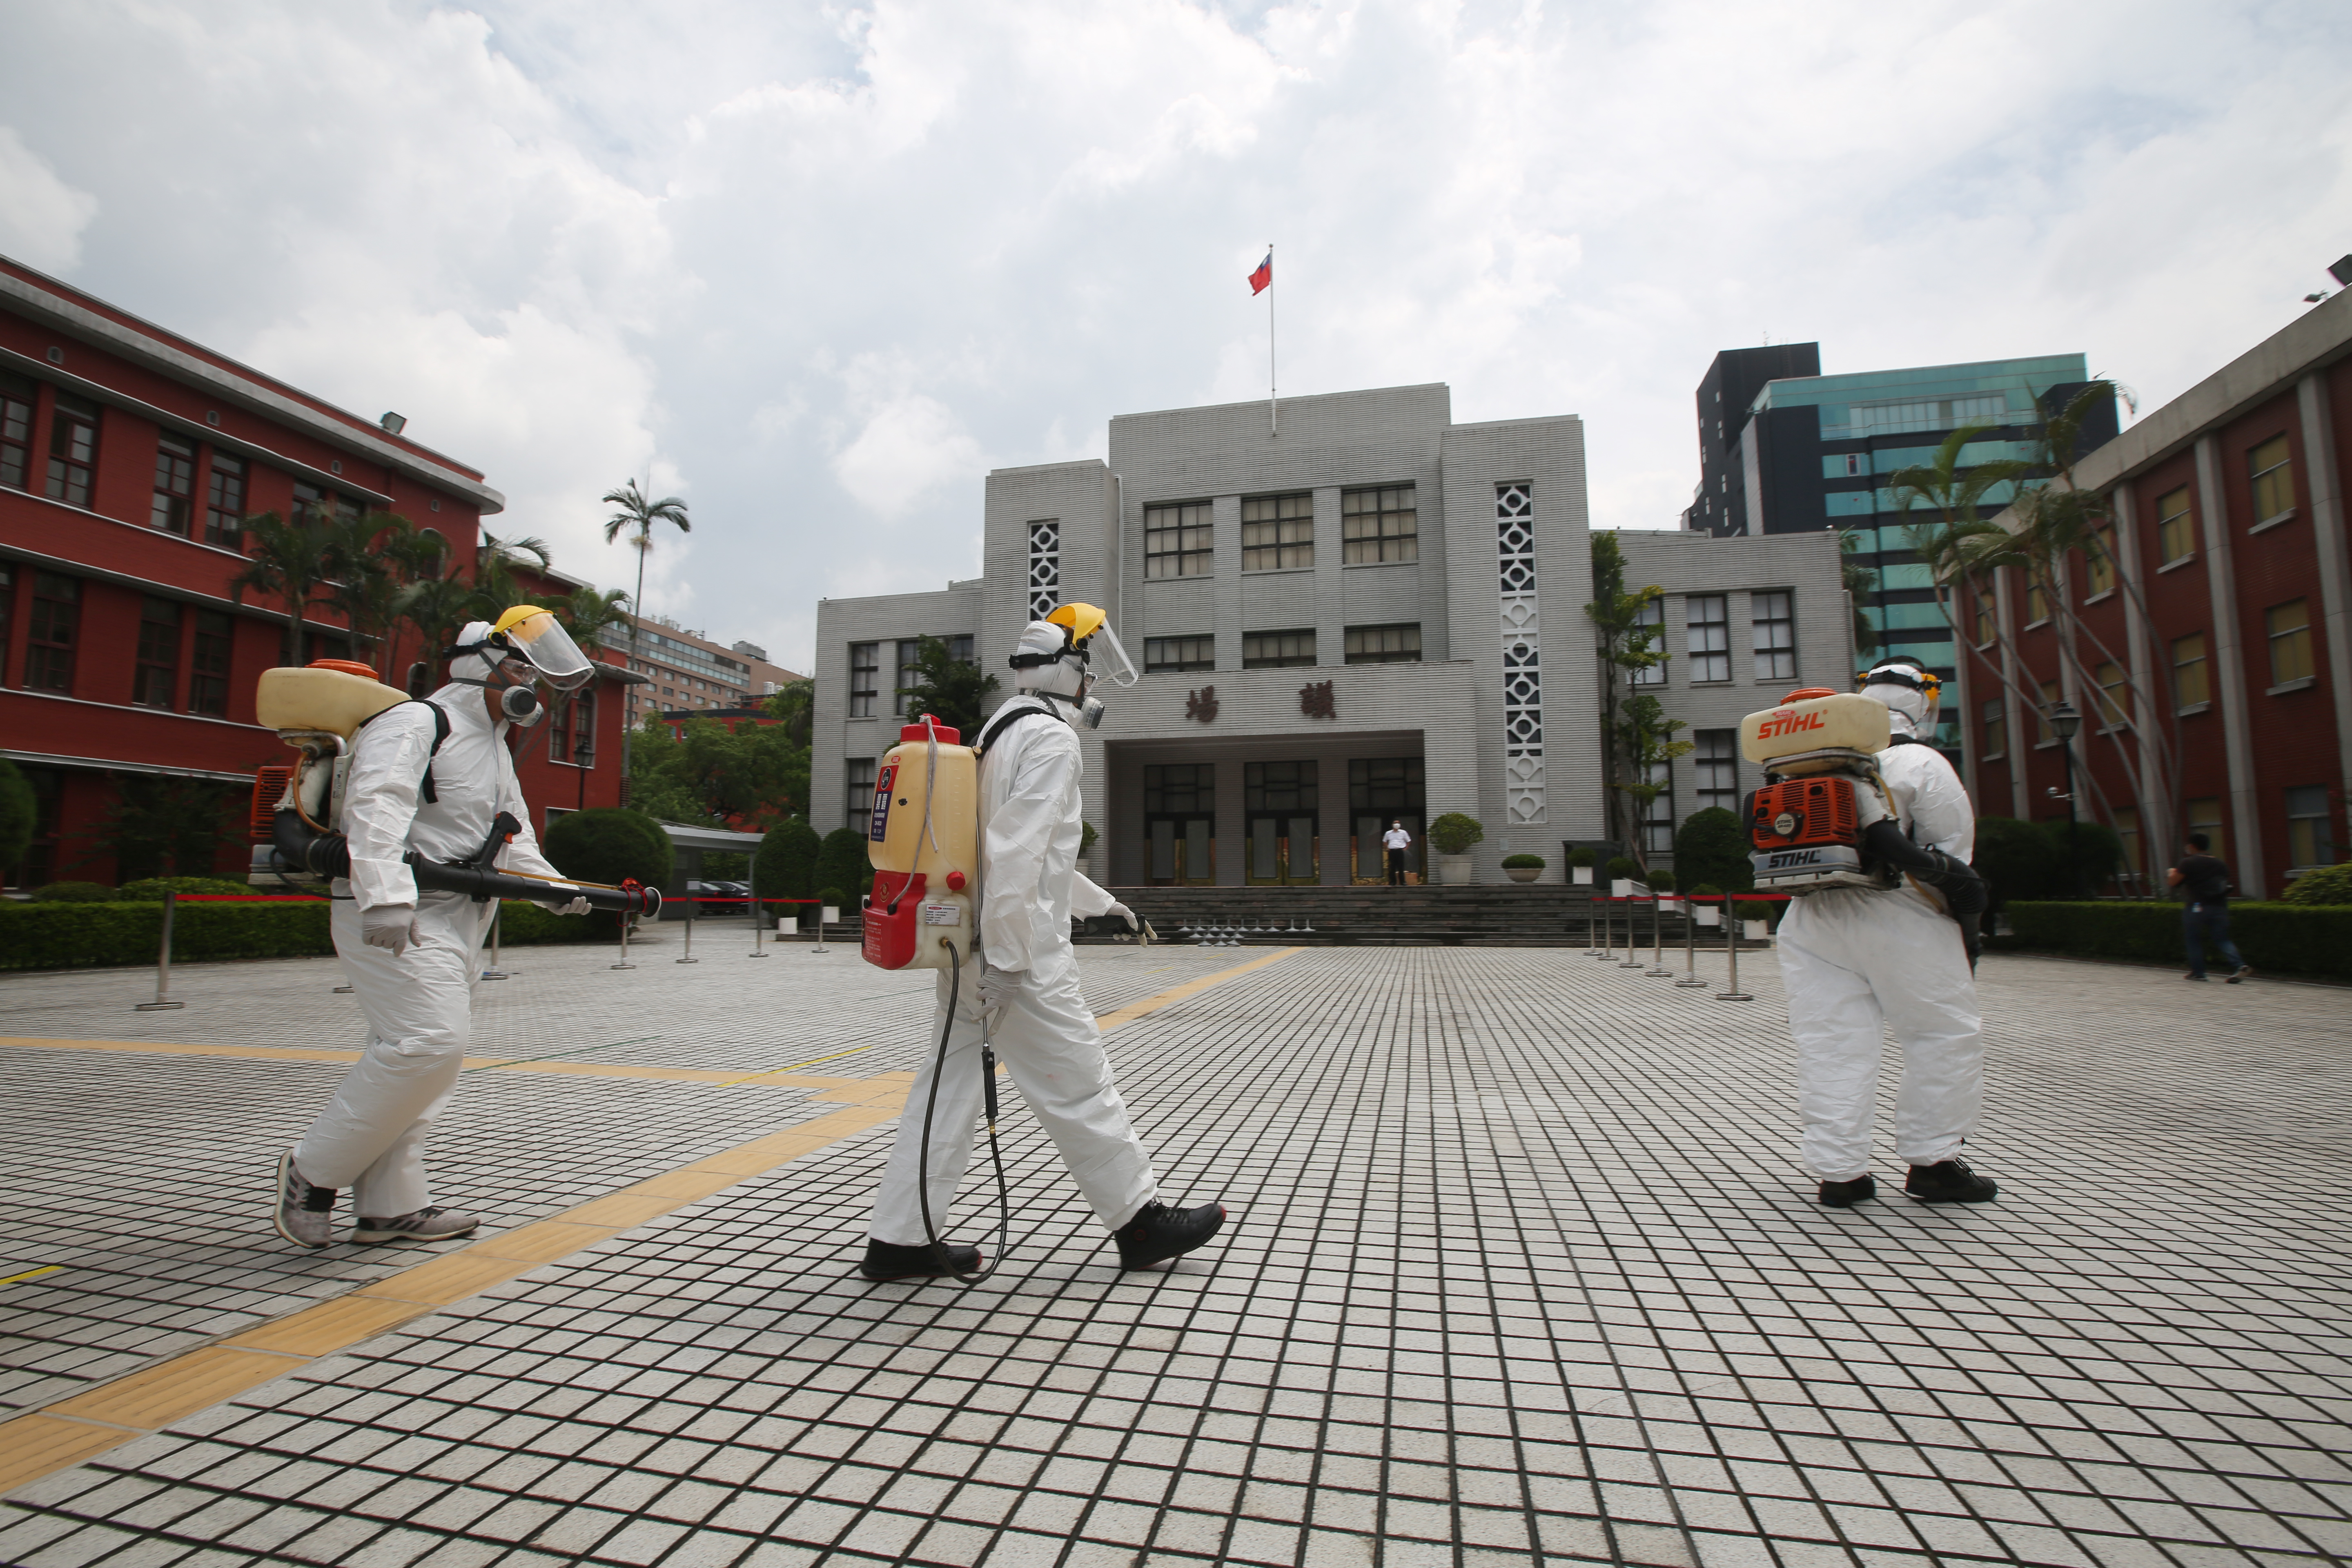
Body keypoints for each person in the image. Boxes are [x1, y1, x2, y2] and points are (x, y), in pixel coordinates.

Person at [863, 603, 1227, 1282]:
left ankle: (900, 1239)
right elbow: (1014, 852)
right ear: (1067, 671)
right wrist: (1008, 962)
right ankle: (1140, 1222)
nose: (1092, 687)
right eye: (1088, 671)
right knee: (1080, 1085)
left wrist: (1097, 902)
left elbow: (1009, 845)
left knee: (945, 1089)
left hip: (972, 945)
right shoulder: (1054, 742)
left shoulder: (1000, 729)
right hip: (1019, 955)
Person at [273, 609, 596, 1248]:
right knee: (429, 1043)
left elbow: (513, 839)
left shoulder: (496, 747)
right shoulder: (421, 721)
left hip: (462, 918)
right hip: (404, 914)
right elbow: (379, 803)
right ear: (478, 665)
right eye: (518, 669)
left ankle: (392, 1206)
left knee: (425, 1063)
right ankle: (311, 1172)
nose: (529, 687)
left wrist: (557, 892)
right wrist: (385, 897)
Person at [1775, 659, 1999, 1207]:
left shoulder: (1801, 769)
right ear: (1925, 701)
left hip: (1811, 918)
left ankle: (1840, 1174)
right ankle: (1934, 1163)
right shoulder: (1920, 761)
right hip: (1903, 914)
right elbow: (1952, 856)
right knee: (1942, 1035)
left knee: (1832, 1045)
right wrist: (1967, 925)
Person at [2169, 834, 2251, 982]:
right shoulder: (2221, 864)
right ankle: (2240, 965)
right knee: (2222, 939)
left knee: (2193, 938)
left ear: (2193, 846)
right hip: (2219, 907)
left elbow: (2174, 883)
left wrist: (2171, 873)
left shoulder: (2188, 862)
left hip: (2197, 906)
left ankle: (2198, 972)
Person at [1383, 820, 1413, 886]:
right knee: (1392, 867)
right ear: (1392, 825)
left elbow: (1408, 841)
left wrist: (1406, 848)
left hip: (1400, 851)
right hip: (1392, 851)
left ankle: (1403, 882)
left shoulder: (1403, 832)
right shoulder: (1388, 833)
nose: (1397, 824)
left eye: (1398, 823)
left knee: (1401, 867)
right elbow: (1385, 841)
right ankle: (1393, 882)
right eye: (1395, 823)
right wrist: (1388, 848)